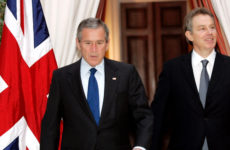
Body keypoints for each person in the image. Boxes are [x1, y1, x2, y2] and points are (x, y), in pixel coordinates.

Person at [151, 8, 230, 150]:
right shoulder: (172, 69)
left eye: (212, 27)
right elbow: (157, 114)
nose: (209, 33)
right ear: (189, 35)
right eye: (202, 29)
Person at [41, 18, 153, 150]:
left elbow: (144, 116)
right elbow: (50, 126)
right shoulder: (62, 77)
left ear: (107, 44)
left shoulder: (126, 74)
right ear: (78, 43)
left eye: (99, 43)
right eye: (88, 43)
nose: (94, 49)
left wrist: (140, 147)